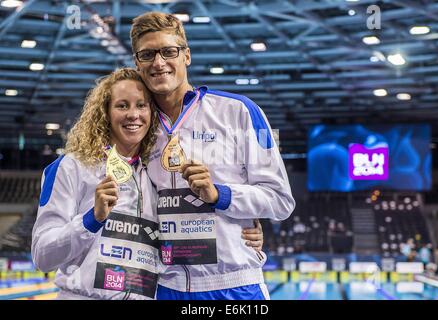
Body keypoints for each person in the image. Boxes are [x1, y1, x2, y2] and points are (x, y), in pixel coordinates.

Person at [31, 68, 264, 300]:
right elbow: (43, 256)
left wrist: (239, 229)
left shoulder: (153, 172)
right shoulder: (72, 167)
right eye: (122, 105)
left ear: (152, 113)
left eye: (141, 105)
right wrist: (92, 219)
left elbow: (180, 231)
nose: (133, 114)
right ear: (105, 113)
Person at [131, 12, 295, 300]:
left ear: (187, 56)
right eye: (147, 54)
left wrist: (220, 195)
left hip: (235, 286)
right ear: (137, 63)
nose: (158, 62)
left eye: (169, 51)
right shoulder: (135, 126)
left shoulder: (239, 111)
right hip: (165, 287)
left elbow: (280, 201)